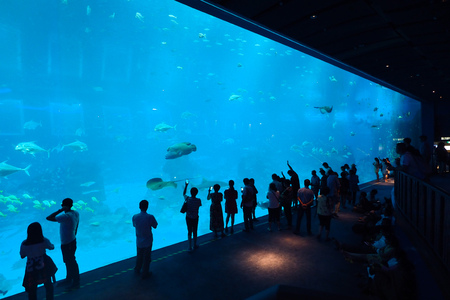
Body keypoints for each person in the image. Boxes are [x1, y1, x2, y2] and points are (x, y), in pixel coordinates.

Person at [46, 198, 80, 290]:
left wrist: (60, 210)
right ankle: (69, 278)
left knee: (71, 261)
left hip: (66, 243)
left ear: (65, 206)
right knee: (69, 261)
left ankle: (76, 282)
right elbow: (77, 226)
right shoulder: (75, 213)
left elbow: (48, 218)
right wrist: (73, 234)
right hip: (72, 240)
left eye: (62, 205)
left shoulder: (66, 216)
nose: (61, 206)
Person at [20, 222, 57, 300]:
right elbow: (51, 247)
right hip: (44, 265)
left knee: (32, 288)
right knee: (48, 285)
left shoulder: (24, 243)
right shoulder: (44, 240)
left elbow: (22, 256)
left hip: (31, 267)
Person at [132, 200, 158, 279]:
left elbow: (134, 225)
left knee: (139, 256)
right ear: (147, 207)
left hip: (139, 241)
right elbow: (155, 226)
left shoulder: (135, 217)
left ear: (139, 207)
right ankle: (145, 272)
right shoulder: (150, 217)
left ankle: (137, 269)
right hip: (148, 241)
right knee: (147, 258)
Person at [183, 181, 202, 252]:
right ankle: (195, 244)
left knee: (189, 231)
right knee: (195, 231)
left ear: (190, 192)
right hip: (195, 217)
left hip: (188, 217)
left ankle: (189, 246)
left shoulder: (187, 199)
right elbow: (199, 206)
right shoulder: (198, 200)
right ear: (197, 193)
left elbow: (184, 194)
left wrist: (186, 185)